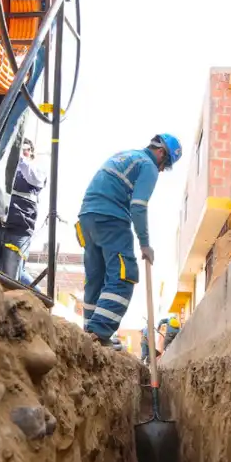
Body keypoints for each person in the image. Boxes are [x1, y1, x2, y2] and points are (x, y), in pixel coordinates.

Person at [76, 134, 183, 346]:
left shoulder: (127, 155)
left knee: (96, 278)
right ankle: (98, 333)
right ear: (161, 153)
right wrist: (145, 244)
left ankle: (89, 332)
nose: (162, 170)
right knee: (124, 276)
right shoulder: (148, 165)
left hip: (87, 219)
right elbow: (138, 206)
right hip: (111, 219)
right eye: (165, 165)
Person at [0, 138, 46, 280]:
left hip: (17, 232)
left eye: (26, 149)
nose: (23, 151)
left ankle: (38, 298)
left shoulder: (36, 169)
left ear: (31, 153)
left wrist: (17, 155)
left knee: (11, 281)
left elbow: (34, 178)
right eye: (20, 148)